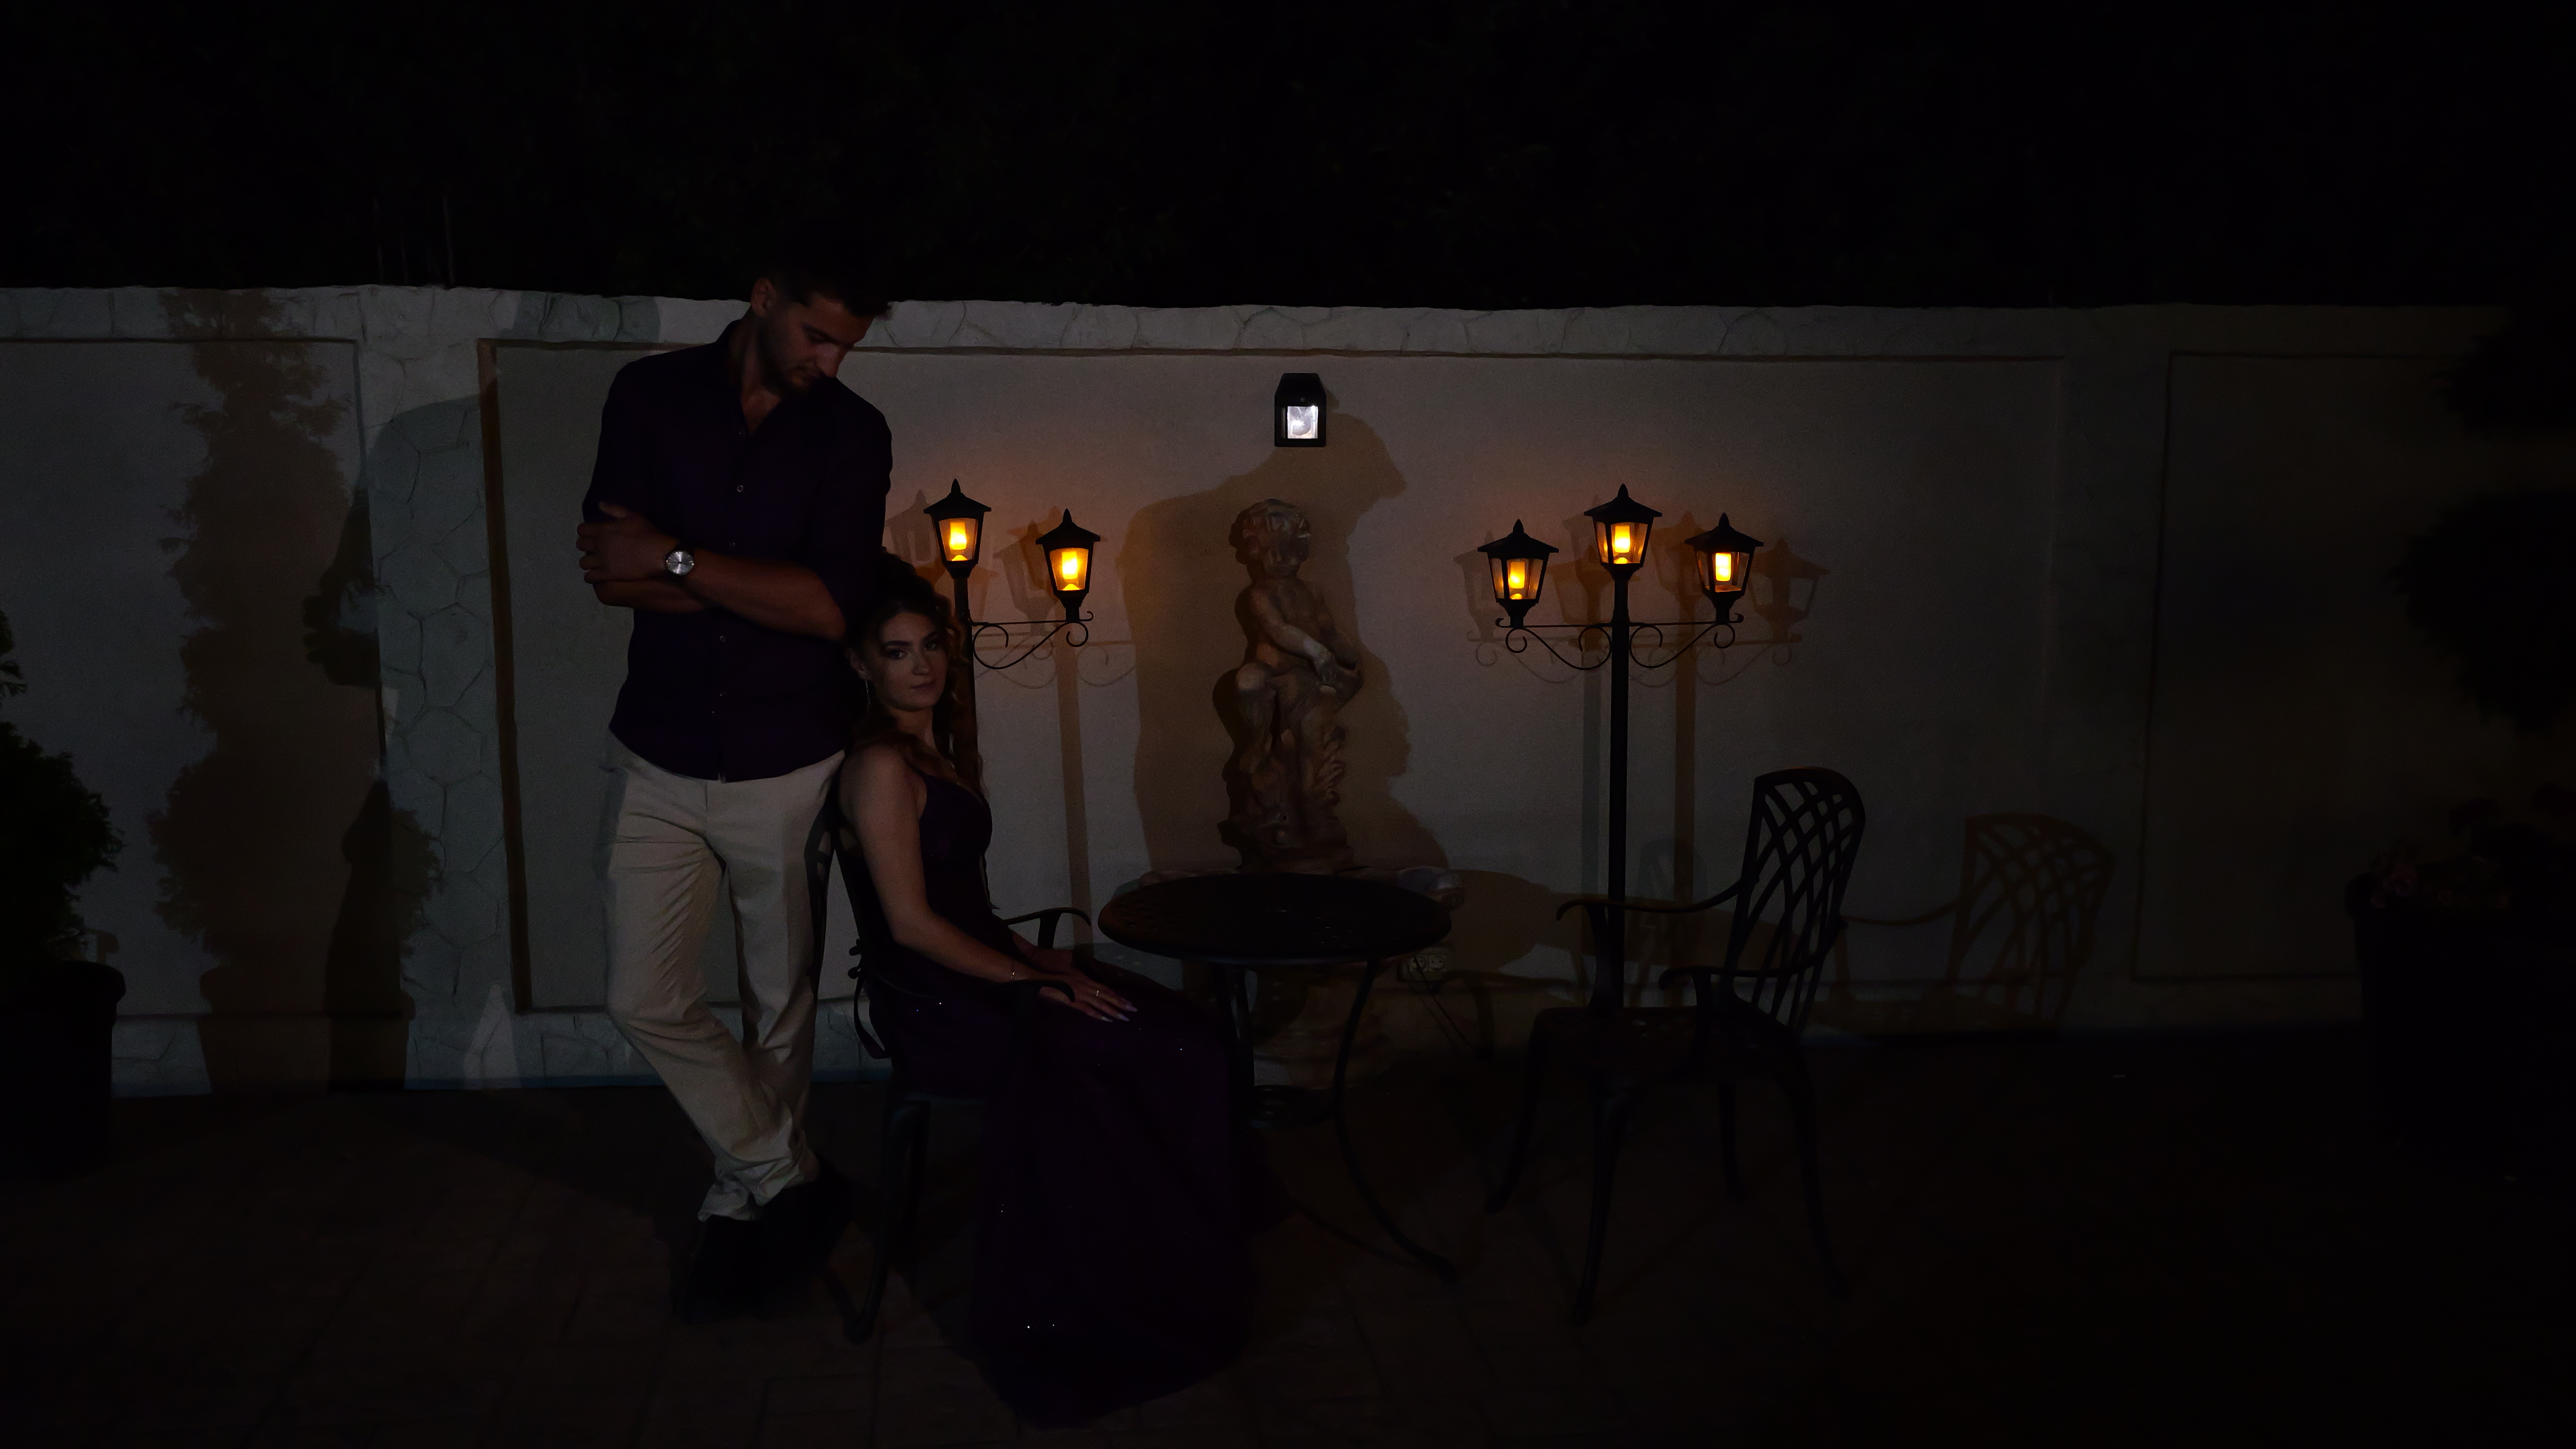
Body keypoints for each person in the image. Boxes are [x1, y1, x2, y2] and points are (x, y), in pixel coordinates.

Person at [840, 575, 1256, 1427]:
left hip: (982, 972)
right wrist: (1033, 982)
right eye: (897, 652)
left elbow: (964, 906)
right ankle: (1108, 1291)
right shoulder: (879, 766)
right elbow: (912, 925)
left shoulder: (934, 753)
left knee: (1180, 1030)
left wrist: (1041, 959)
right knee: (1136, 1049)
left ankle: (1171, 1253)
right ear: (863, 667)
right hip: (940, 1006)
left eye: (931, 646)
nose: (921, 666)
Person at [575, 239, 892, 1321]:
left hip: (789, 756)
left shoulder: (852, 432)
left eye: (846, 346)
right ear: (763, 298)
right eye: (816, 335)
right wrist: (757, 587)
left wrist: (675, 559)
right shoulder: (649, 395)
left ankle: (739, 1197)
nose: (829, 362)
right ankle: (788, 1176)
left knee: (778, 1004)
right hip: (656, 747)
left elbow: (828, 608)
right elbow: (607, 573)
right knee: (640, 995)